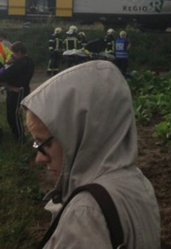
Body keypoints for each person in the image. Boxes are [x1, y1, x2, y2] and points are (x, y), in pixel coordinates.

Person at [22, 60, 160, 248]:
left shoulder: (86, 213)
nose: (39, 158)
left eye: (43, 143)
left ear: (77, 133)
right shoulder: (139, 183)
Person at [0, 42, 35, 142]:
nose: (12, 56)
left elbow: (6, 74)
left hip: (18, 91)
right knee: (12, 115)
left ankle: (20, 138)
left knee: (14, 116)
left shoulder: (23, 63)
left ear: (19, 52)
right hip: (16, 90)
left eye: (14, 53)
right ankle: (18, 135)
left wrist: (6, 68)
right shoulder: (25, 61)